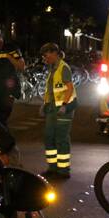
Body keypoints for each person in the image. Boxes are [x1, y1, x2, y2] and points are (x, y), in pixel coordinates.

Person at [39, 42, 76, 179]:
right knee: (49, 137)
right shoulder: (52, 68)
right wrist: (45, 104)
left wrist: (64, 105)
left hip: (64, 108)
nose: (45, 58)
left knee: (61, 138)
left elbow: (69, 88)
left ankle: (63, 170)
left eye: (46, 54)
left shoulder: (63, 68)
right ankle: (52, 167)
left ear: (54, 52)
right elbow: (51, 90)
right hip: (52, 108)